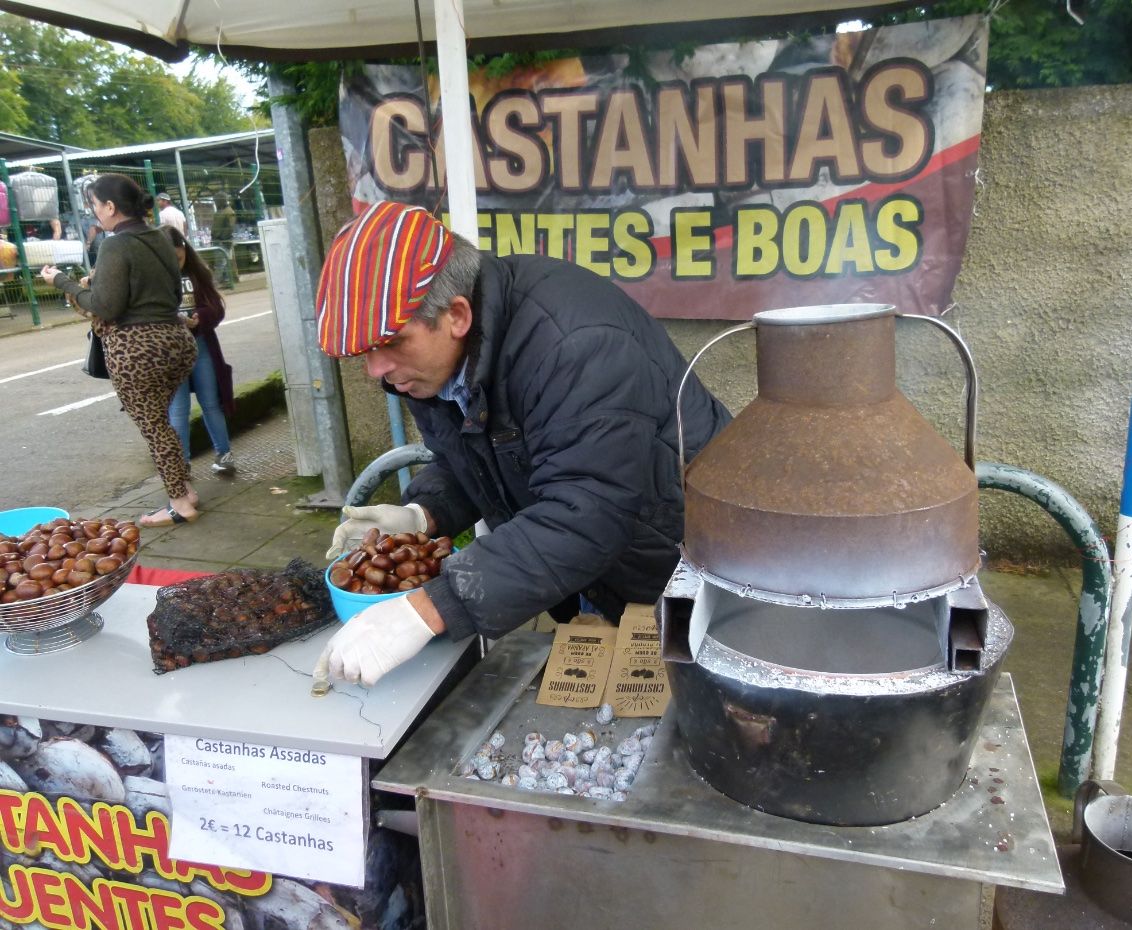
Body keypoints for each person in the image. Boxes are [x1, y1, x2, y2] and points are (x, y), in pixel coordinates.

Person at [312, 201, 731, 688]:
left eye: (391, 344)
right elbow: (476, 456)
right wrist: (423, 514)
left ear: (457, 315)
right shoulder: (431, 366)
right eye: (365, 353)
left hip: (686, 565)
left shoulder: (575, 345)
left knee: (694, 703)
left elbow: (587, 510)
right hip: (592, 564)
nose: (376, 369)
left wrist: (429, 608)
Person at [39, 173, 200, 527]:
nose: (95, 213)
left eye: (95, 206)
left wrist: (61, 282)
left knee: (155, 426)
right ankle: (185, 489)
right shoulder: (158, 237)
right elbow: (170, 292)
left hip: (137, 349)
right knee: (162, 423)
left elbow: (105, 307)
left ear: (111, 207)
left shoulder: (115, 244)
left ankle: (179, 503)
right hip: (176, 341)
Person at [164, 226, 237, 476]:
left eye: (178, 257)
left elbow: (216, 307)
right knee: (178, 409)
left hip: (201, 344)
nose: (174, 264)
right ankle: (181, 465)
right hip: (171, 351)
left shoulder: (197, 274)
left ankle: (224, 454)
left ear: (184, 249)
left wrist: (199, 317)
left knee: (211, 402)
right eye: (168, 259)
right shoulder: (153, 278)